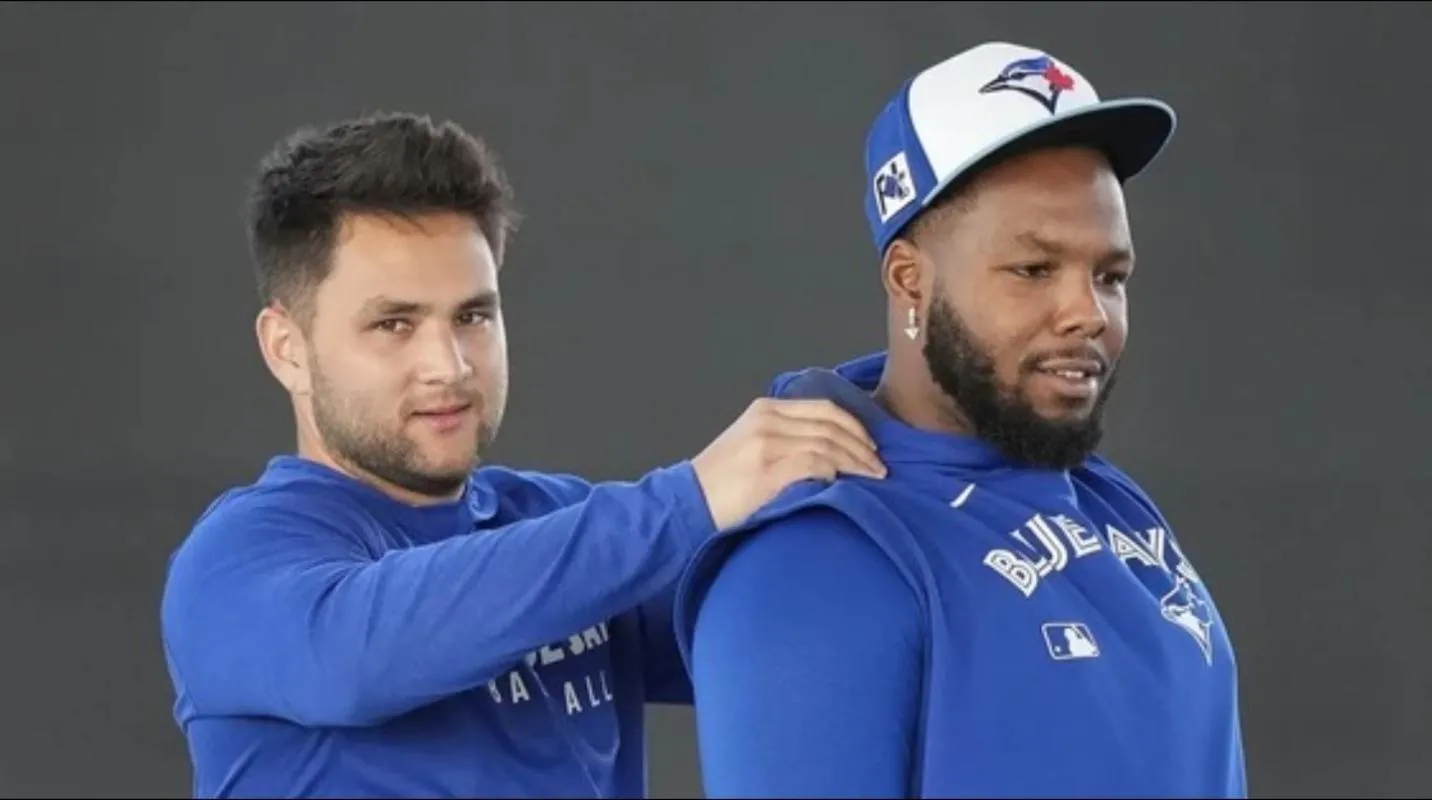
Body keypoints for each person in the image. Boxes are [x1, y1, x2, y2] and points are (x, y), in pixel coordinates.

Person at [158, 111, 887, 799]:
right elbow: (361, 659)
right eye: (393, 324)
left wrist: (895, 411)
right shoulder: (235, 563)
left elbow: (792, 629)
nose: (448, 365)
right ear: (287, 349)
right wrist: (689, 499)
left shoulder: (555, 522)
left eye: (473, 315)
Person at [673, 41, 1247, 799]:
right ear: (911, 279)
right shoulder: (818, 562)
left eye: (1110, 277)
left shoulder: (1111, 501)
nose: (1088, 314)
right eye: (1033, 270)